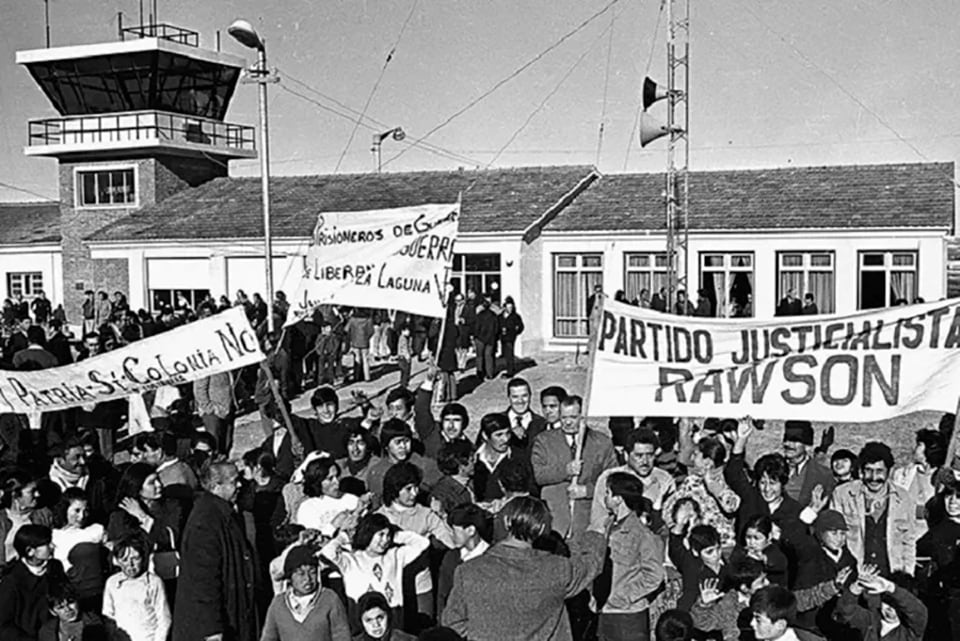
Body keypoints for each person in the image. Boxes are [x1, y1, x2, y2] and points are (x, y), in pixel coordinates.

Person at [441, 496, 606, 641]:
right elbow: (591, 564)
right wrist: (596, 534)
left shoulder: (468, 571)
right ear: (541, 529)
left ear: (506, 522)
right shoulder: (557, 569)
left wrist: (485, 632)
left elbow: (453, 623)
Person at [174, 461, 259, 641]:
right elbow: (203, 580)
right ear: (216, 486)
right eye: (234, 481)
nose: (239, 485)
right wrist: (212, 629)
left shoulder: (223, 513)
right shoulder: (205, 521)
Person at [321, 513, 430, 627]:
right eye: (381, 535)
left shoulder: (396, 555)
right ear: (368, 534)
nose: (385, 540)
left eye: (388, 535)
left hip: (393, 613)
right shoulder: (351, 560)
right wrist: (343, 537)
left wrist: (396, 535)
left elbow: (423, 543)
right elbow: (328, 552)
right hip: (362, 616)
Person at [828, 442, 918, 576]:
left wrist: (907, 574)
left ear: (890, 471)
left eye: (879, 471)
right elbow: (833, 538)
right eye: (869, 470)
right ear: (861, 471)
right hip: (854, 575)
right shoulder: (842, 494)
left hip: (891, 575)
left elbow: (908, 541)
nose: (874, 478)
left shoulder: (903, 497)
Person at [532, 395, 616, 538]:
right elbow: (539, 475)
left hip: (588, 522)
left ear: (583, 417)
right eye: (564, 417)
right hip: (555, 523)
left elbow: (612, 480)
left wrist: (588, 491)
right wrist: (565, 471)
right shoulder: (544, 440)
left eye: (573, 417)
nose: (568, 422)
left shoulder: (602, 443)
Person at [593, 473, 663, 641]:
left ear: (618, 499)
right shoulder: (609, 525)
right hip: (606, 611)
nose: (605, 497)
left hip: (628, 616)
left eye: (608, 493)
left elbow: (654, 575)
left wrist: (625, 596)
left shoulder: (641, 534)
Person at [260, 545, 350, 641]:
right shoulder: (278, 604)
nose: (307, 579)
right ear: (290, 576)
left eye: (312, 572)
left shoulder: (330, 599)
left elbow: (342, 636)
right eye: (300, 573)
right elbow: (269, 637)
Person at [591, 428, 677, 525]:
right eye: (639, 456)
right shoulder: (609, 478)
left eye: (650, 455)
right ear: (626, 455)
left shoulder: (664, 479)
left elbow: (671, 521)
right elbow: (598, 518)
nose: (645, 461)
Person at [0, 524, 66, 639]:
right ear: (30, 551)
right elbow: (4, 625)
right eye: (46, 544)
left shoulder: (55, 567)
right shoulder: (11, 581)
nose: (52, 546)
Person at [101, 535, 171, 641]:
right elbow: (108, 616)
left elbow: (163, 618)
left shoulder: (153, 582)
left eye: (135, 558)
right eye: (124, 560)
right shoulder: (112, 583)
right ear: (117, 561)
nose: (131, 564)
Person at [834, 565, 927, 641]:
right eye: (887, 602)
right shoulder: (870, 620)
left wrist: (891, 588)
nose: (890, 608)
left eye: (896, 606)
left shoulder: (910, 632)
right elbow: (845, 612)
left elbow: (918, 611)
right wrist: (856, 588)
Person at [51, 488, 106, 612]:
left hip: (98, 592)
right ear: (65, 509)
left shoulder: (96, 530)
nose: (81, 516)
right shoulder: (54, 536)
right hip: (72, 596)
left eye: (85, 511)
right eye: (76, 510)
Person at [689, 556, 769, 641]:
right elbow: (704, 624)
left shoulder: (771, 597)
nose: (768, 582)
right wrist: (703, 606)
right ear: (744, 588)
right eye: (762, 581)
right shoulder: (729, 606)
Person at [436, 504, 490, 617]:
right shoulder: (451, 558)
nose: (451, 535)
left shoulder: (492, 557)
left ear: (471, 530)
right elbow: (443, 596)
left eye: (454, 531)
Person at [294, 456, 360, 537]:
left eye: (337, 477)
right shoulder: (308, 508)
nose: (336, 482)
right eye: (330, 479)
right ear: (318, 481)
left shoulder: (351, 499)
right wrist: (334, 525)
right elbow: (311, 539)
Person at [782, 420, 835, 508]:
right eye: (786, 439)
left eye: (795, 440)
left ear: (807, 445)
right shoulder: (772, 466)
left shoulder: (823, 475)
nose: (789, 444)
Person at [39, 580, 106, 641]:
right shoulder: (46, 631)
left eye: (71, 603)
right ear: (53, 612)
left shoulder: (96, 623)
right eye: (61, 607)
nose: (67, 609)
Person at [501, 378, 548, 458]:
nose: (520, 401)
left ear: (530, 396)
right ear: (508, 397)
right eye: (515, 397)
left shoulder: (542, 424)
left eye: (524, 396)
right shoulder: (497, 421)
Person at [472, 295, 498, 381]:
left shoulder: (479, 316)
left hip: (480, 338)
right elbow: (496, 328)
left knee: (479, 356)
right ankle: (489, 374)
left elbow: (476, 327)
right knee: (488, 356)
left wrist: (475, 336)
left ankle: (480, 372)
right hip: (490, 339)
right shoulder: (494, 316)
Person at [499, 297, 524, 378]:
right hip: (502, 337)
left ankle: (510, 371)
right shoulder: (500, 316)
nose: (510, 309)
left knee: (509, 354)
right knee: (505, 354)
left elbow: (521, 326)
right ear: (504, 307)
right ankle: (508, 368)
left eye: (511, 307)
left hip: (510, 337)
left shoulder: (515, 316)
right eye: (508, 307)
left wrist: (515, 332)